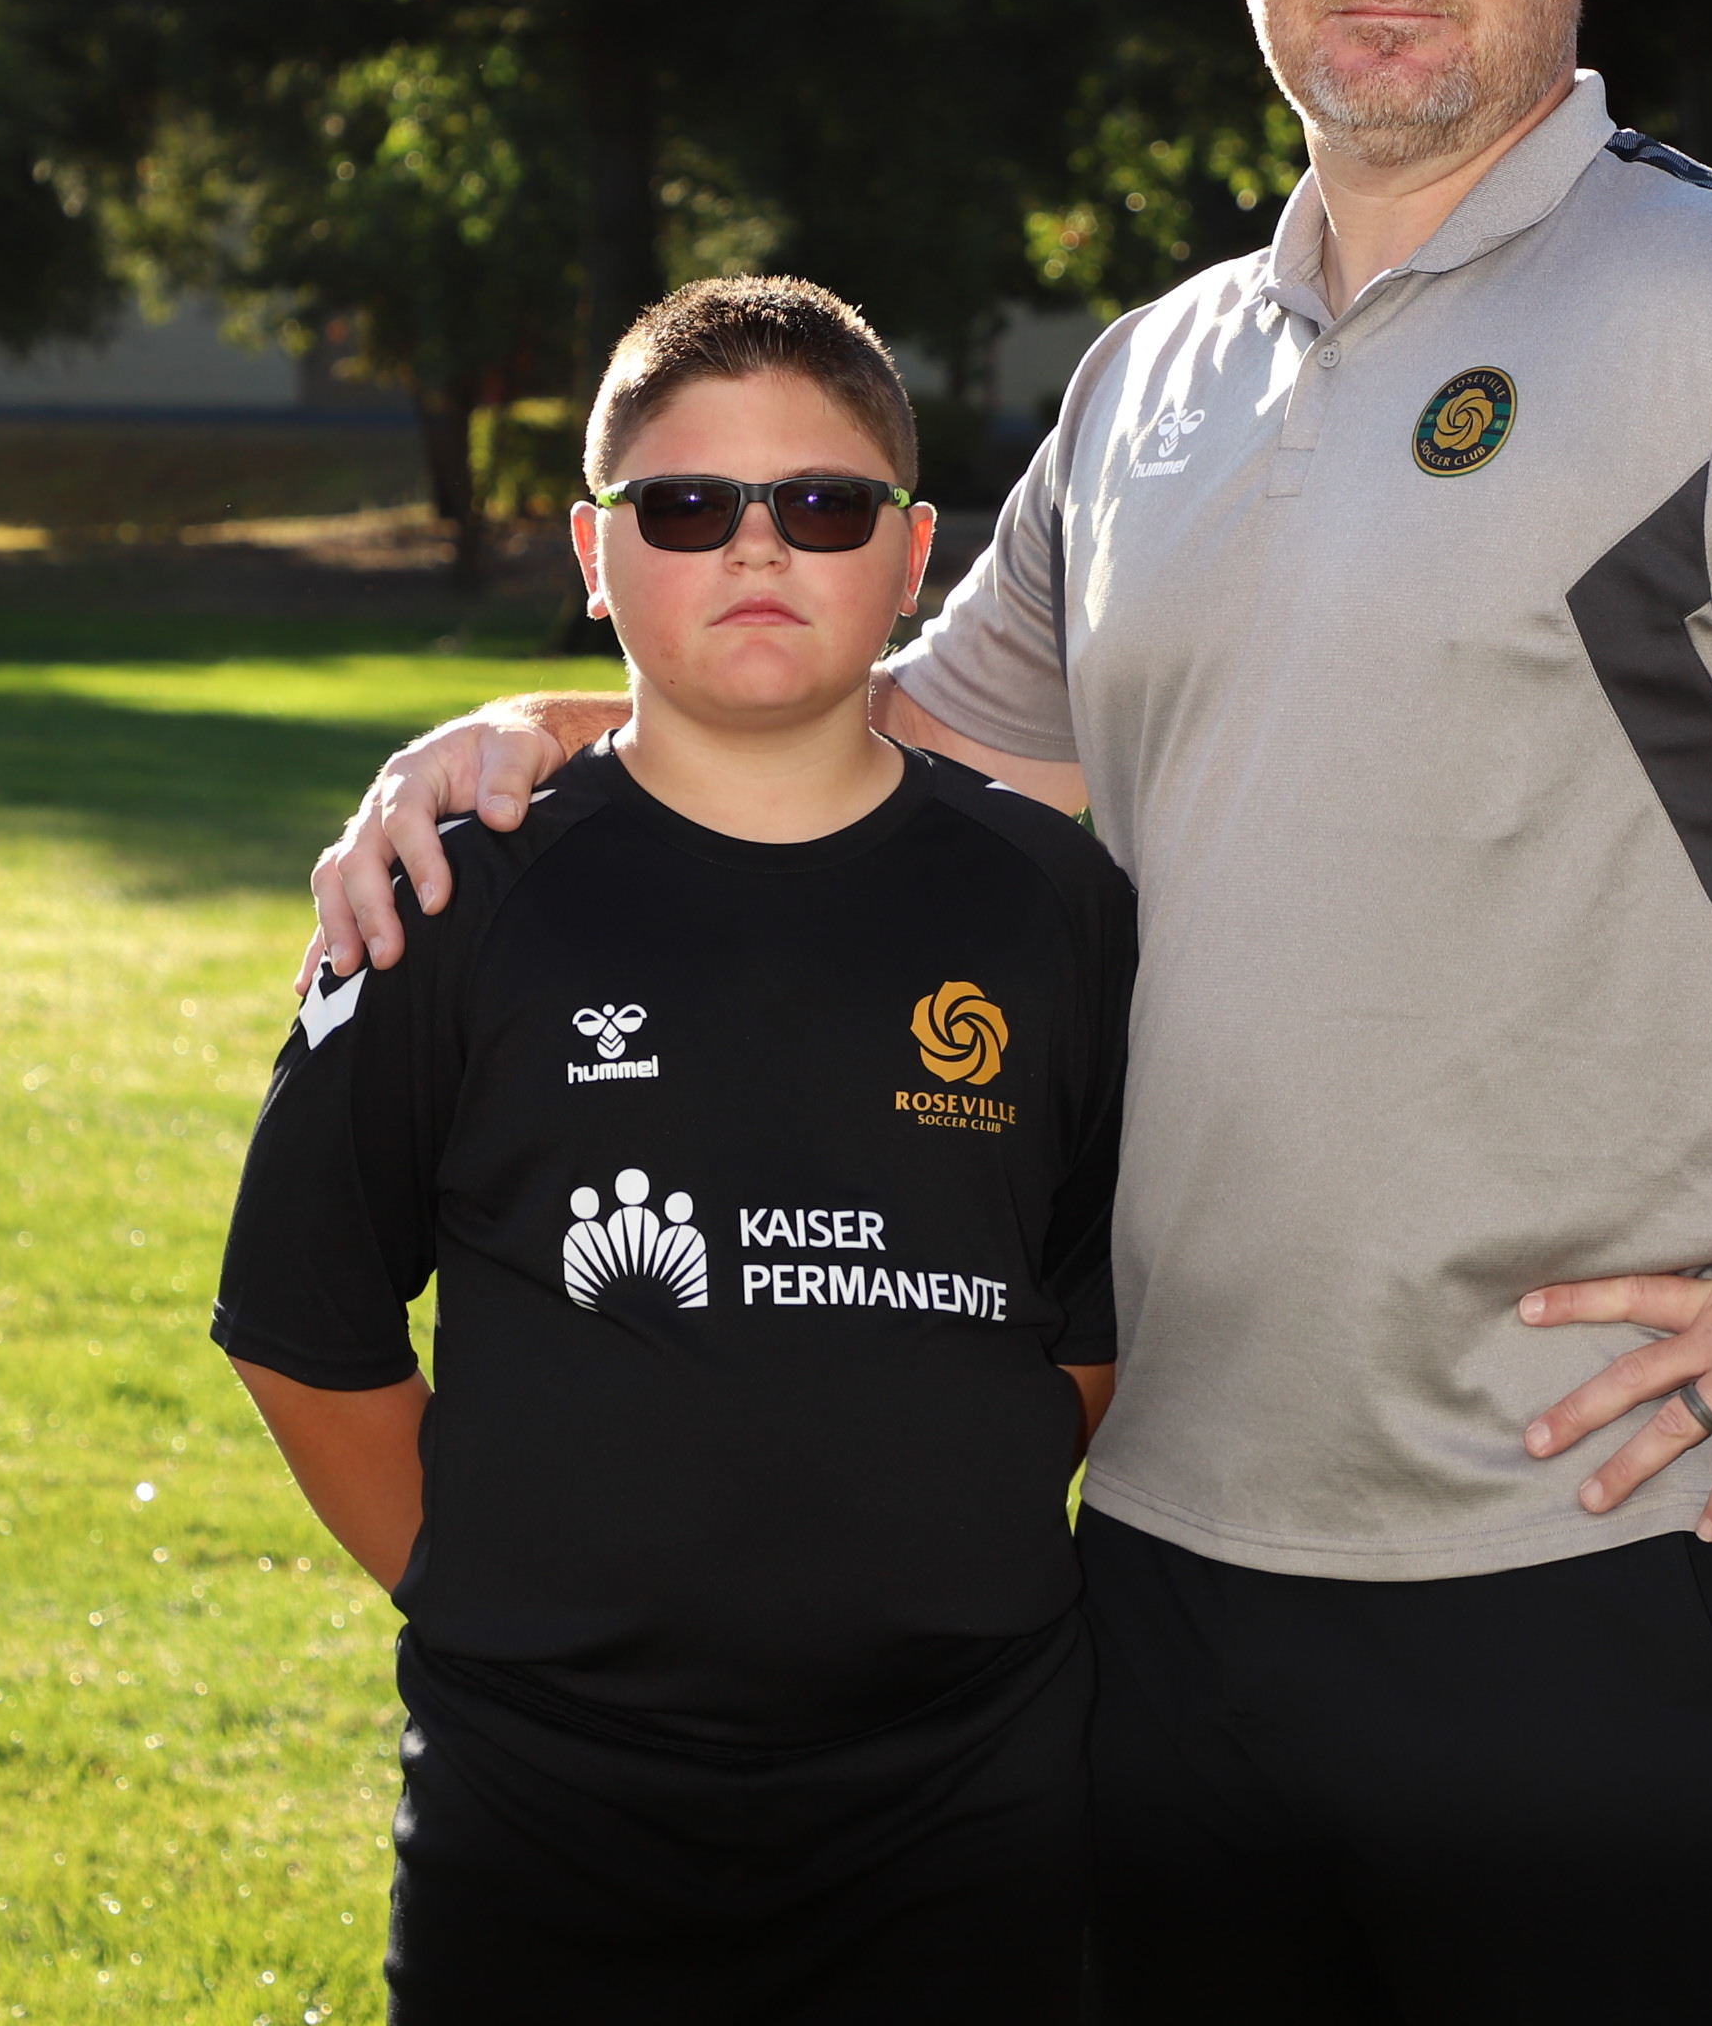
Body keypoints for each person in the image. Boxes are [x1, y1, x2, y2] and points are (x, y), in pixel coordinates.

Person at [307, 0, 1712, 2018]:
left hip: (1598, 1545)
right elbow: (903, 759)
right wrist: (534, 734)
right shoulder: (1154, 379)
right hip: (1163, 1550)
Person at [215, 276, 1134, 2021]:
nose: (758, 546)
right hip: (548, 1803)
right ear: (594, 550)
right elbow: (300, 1324)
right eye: (690, 506)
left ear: (914, 553)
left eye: (825, 505)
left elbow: (1088, 1315)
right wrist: (483, 1593)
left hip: (966, 1790)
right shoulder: (451, 896)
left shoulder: (1053, 903)